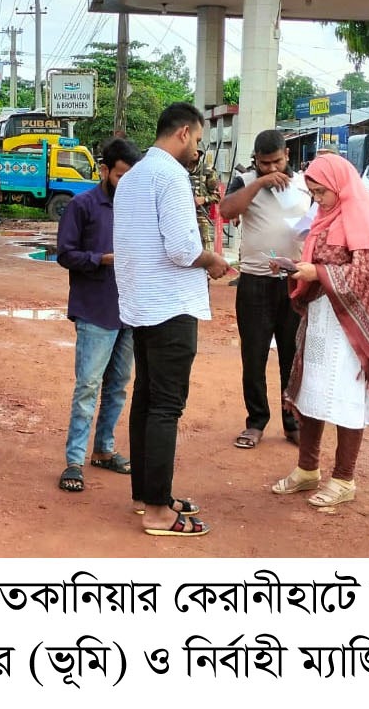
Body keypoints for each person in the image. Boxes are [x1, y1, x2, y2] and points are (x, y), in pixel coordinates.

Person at [113, 102, 231, 537]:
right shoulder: (171, 176)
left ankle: (148, 496)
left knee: (146, 399)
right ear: (183, 133)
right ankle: (160, 512)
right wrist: (213, 260)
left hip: (143, 306)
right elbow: (183, 250)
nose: (198, 150)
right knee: (165, 406)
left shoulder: (134, 176)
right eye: (198, 140)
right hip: (171, 306)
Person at [270, 152, 369, 507]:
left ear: (341, 186)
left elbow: (368, 275)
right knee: (311, 390)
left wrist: (318, 273)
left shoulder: (362, 219)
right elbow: (322, 261)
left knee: (347, 397)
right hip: (321, 319)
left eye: (322, 192)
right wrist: (300, 269)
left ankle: (344, 478)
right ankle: (307, 469)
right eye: (313, 192)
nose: (317, 200)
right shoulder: (324, 217)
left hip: (353, 327)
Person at [56, 137, 143, 493]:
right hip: (95, 309)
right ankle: (74, 461)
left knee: (119, 386)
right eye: (122, 176)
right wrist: (100, 260)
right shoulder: (82, 206)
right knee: (88, 386)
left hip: (130, 311)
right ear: (105, 170)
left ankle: (104, 450)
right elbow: (65, 254)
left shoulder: (137, 206)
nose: (127, 183)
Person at [218, 129, 310, 450]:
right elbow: (226, 211)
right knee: (254, 356)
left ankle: (291, 422)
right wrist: (258, 183)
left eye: (278, 162)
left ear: (287, 157)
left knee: (292, 355)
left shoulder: (304, 183)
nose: (272, 169)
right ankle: (256, 421)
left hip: (293, 281)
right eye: (265, 163)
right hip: (255, 282)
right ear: (255, 159)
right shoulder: (245, 181)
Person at [191, 149, 223, 250]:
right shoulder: (177, 170)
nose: (194, 154)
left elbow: (217, 197)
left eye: (197, 152)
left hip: (200, 217)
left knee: (204, 250)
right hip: (181, 217)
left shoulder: (208, 171)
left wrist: (204, 199)